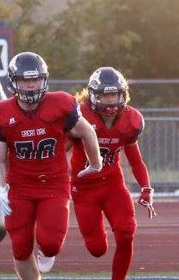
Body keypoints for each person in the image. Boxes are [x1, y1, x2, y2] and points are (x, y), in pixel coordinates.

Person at [0, 52, 103, 280]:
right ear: (13, 81)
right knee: (20, 248)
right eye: (25, 80)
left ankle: (46, 251)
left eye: (35, 79)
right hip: (19, 186)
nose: (31, 85)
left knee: (50, 244)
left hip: (54, 183)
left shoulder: (60, 104)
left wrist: (96, 164)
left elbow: (87, 132)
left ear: (44, 79)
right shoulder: (1, 113)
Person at [70, 67, 155, 280]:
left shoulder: (130, 120)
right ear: (94, 96)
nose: (110, 100)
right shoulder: (80, 116)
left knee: (127, 232)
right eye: (105, 95)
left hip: (112, 184)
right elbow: (60, 150)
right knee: (97, 248)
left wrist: (146, 186)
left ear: (123, 94)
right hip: (84, 187)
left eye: (114, 94)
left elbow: (135, 160)